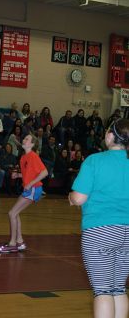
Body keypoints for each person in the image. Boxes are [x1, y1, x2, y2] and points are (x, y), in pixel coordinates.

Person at [69, 118, 129, 318]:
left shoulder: (95, 160)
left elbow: (78, 198)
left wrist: (70, 197)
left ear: (111, 136)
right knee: (118, 288)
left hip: (100, 231)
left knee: (103, 290)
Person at [0, 134, 48, 253]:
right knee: (15, 214)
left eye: (27, 139)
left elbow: (44, 172)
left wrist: (30, 184)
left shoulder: (33, 156)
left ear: (32, 144)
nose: (24, 139)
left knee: (12, 213)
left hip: (34, 189)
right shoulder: (23, 157)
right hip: (29, 189)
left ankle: (12, 243)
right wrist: (19, 175)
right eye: (24, 138)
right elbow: (30, 174)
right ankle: (19, 242)